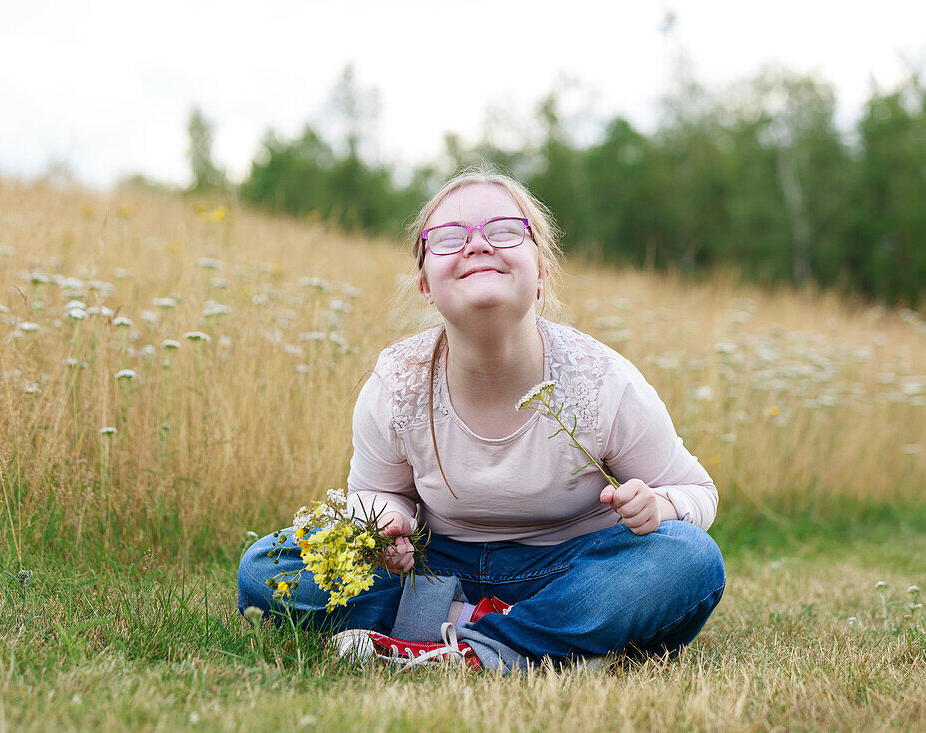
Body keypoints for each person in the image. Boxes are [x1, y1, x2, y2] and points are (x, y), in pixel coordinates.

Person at [238, 168, 724, 672]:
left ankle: (454, 642)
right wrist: (385, 523)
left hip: (575, 570)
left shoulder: (602, 381)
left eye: (504, 231)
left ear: (542, 273)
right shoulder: (397, 384)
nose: (477, 246)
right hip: (435, 572)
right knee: (268, 566)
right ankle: (534, 641)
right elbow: (374, 493)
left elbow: (698, 492)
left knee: (689, 558)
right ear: (425, 283)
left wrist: (657, 507)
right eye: (449, 238)